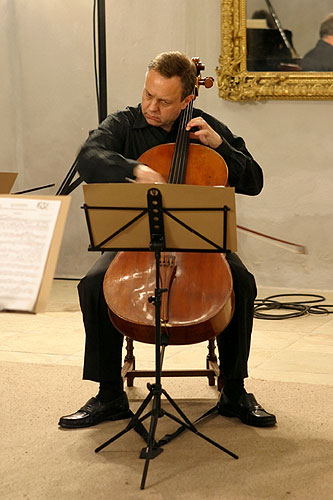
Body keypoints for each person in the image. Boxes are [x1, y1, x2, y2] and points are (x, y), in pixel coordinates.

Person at [58, 51, 276, 430]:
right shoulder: (125, 123)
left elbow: (254, 181)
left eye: (164, 101)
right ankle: (109, 395)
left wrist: (220, 148)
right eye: (148, 95)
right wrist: (135, 169)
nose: (151, 107)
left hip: (201, 244)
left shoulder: (208, 128)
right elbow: (88, 157)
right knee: (93, 285)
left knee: (241, 283)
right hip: (137, 241)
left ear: (187, 100)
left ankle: (235, 391)